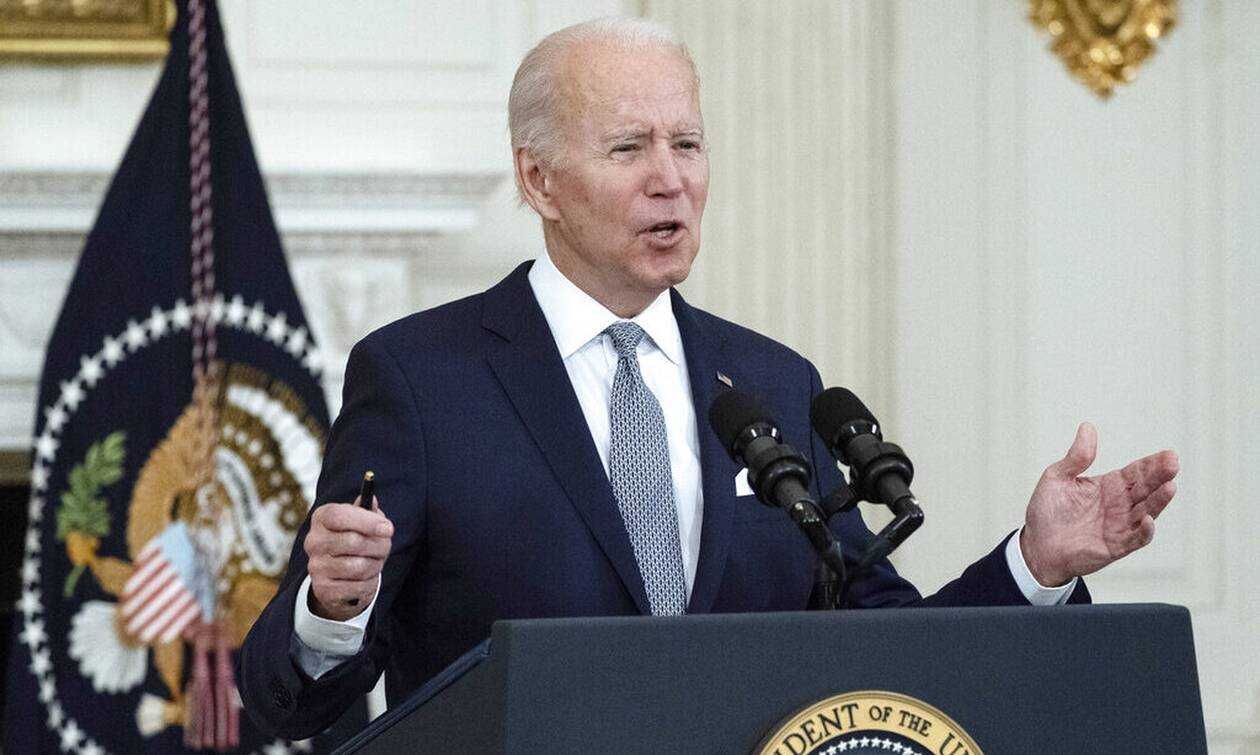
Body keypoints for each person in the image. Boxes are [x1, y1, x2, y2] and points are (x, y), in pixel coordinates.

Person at [239, 17, 1180, 739]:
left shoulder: (772, 382)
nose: (672, 180)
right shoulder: (420, 378)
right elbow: (288, 700)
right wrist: (333, 608)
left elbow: (892, 651)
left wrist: (1034, 564)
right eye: (629, 148)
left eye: (687, 145)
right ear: (538, 180)